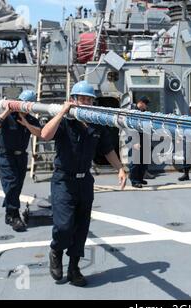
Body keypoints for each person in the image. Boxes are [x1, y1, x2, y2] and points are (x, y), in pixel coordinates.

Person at [41, 80, 127, 287]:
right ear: (74, 100)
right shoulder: (65, 121)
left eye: (89, 99)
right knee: (63, 226)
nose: (86, 102)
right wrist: (62, 112)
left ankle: (74, 268)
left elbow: (107, 149)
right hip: (63, 180)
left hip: (84, 181)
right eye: (82, 98)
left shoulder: (97, 124)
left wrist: (120, 168)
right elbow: (45, 135)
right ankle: (56, 250)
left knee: (81, 228)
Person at [0, 90, 41, 232]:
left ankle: (9, 214)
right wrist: (6, 111)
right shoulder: (8, 116)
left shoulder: (30, 120)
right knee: (11, 184)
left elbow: (40, 133)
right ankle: (15, 215)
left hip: (21, 157)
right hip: (6, 155)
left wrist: (26, 124)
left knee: (16, 186)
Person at [129, 96, 150, 188]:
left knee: (143, 161)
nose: (147, 107)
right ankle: (134, 181)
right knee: (136, 161)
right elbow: (131, 128)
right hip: (136, 139)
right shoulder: (133, 112)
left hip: (144, 139)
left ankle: (140, 178)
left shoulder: (144, 112)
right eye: (146, 105)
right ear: (141, 103)